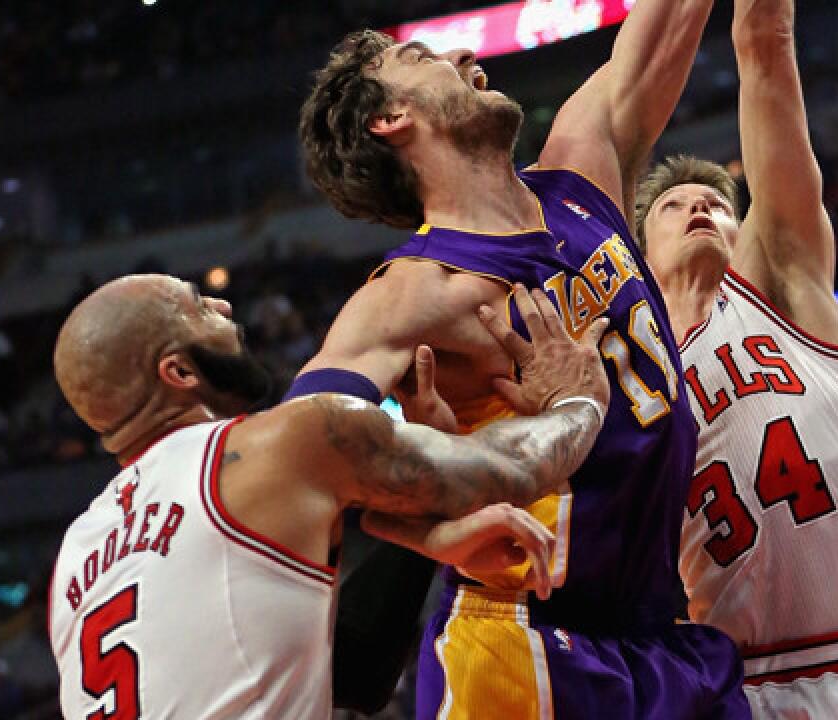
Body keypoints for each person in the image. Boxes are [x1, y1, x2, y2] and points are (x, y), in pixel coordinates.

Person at [296, 2, 748, 717]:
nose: (466, 59)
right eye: (425, 60)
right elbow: (297, 450)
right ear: (391, 121)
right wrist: (433, 529)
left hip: (665, 638)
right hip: (523, 641)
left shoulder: (582, 168)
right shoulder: (415, 291)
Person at [48, 274, 612, 718]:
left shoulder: (77, 553)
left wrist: (424, 543)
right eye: (198, 307)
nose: (222, 308)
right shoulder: (277, 444)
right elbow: (509, 469)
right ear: (177, 371)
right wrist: (577, 402)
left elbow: (353, 672)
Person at [633, 0, 838, 716]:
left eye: (716, 205)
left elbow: (764, 46)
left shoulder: (779, 287)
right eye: (673, 207)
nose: (698, 209)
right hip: (746, 691)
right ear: (638, 255)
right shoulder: (630, 381)